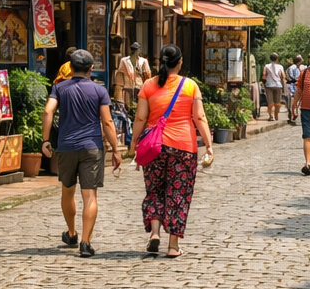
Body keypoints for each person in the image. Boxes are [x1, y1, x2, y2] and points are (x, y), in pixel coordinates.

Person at [133, 44, 214, 258]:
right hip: (183, 147)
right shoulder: (190, 86)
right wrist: (209, 144)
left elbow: (140, 118)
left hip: (154, 147)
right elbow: (199, 117)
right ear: (180, 62)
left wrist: (134, 142)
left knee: (154, 190)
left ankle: (154, 234)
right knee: (178, 194)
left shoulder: (149, 86)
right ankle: (173, 245)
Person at [41, 50, 123, 257]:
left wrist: (46, 140)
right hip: (92, 147)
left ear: (71, 67)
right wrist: (115, 149)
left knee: (67, 191)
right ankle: (85, 243)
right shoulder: (99, 90)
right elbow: (107, 121)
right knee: (90, 195)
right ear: (90, 69)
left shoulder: (59, 88)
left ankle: (71, 232)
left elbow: (47, 111)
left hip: (66, 146)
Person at [115, 42, 150, 110]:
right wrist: (118, 96)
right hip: (128, 87)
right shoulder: (124, 61)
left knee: (139, 108)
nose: (135, 51)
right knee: (127, 108)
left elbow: (147, 77)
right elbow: (120, 77)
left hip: (140, 87)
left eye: (137, 49)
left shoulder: (143, 61)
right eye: (134, 49)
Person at [263, 52, 286, 123]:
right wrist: (284, 85)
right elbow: (283, 76)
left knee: (270, 102)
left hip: (269, 85)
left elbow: (264, 75)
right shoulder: (280, 66)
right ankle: (276, 115)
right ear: (277, 59)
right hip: (278, 85)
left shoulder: (266, 66)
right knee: (277, 103)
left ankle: (271, 116)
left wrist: (264, 82)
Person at [285, 55, 304, 125]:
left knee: (298, 103)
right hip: (292, 87)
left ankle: (296, 115)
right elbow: (290, 77)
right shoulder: (292, 68)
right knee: (293, 102)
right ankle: (292, 116)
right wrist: (297, 81)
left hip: (298, 87)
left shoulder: (300, 68)